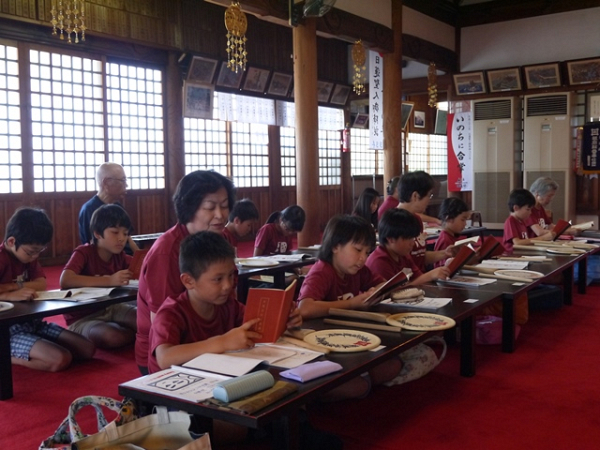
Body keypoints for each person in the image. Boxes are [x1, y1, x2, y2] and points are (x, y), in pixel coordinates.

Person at [136, 169, 236, 375]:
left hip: (213, 343)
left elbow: (231, 303)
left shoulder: (220, 237)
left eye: (225, 206)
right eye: (210, 207)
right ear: (189, 209)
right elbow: (161, 329)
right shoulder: (166, 253)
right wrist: (221, 343)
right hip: (170, 357)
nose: (221, 215)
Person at [297, 215, 402, 401]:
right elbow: (305, 308)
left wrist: (377, 290)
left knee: (391, 366)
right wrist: (352, 304)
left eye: (368, 252)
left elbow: (384, 284)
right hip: (322, 346)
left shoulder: (357, 270)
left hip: (350, 340)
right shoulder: (322, 271)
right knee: (360, 386)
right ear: (335, 246)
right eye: (358, 250)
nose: (363, 258)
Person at [0, 207, 95, 371]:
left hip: (31, 322)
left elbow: (41, 284)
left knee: (87, 349)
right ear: (11, 242)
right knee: (60, 359)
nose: (35, 257)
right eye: (31, 252)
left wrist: (10, 287)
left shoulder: (27, 256)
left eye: (39, 251)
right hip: (7, 330)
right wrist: (8, 295)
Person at [60, 204, 137, 349]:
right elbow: (66, 279)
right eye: (115, 232)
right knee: (114, 337)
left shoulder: (119, 256)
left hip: (111, 308)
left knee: (150, 323)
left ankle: (128, 330)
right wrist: (109, 280)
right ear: (97, 234)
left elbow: (143, 267)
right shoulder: (84, 252)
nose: (121, 238)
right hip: (82, 317)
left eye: (125, 234)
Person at [366, 208, 450, 284]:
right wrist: (430, 275)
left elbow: (418, 278)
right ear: (391, 239)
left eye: (413, 238)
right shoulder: (379, 262)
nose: (412, 243)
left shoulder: (403, 255)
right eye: (408, 238)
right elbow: (396, 293)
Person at [396, 171, 453, 272]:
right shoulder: (394, 222)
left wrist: (444, 253)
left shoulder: (417, 219)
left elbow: (420, 255)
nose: (429, 200)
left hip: (420, 278)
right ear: (415, 196)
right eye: (429, 195)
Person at [78, 162, 140, 254]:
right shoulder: (89, 209)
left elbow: (129, 238)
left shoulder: (118, 207)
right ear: (106, 182)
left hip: (124, 258)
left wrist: (141, 259)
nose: (126, 185)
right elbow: (91, 245)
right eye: (122, 180)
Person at [503, 188, 554, 253]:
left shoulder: (523, 221)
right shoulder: (510, 221)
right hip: (513, 256)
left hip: (523, 254)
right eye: (528, 209)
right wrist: (543, 238)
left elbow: (527, 240)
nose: (530, 212)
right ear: (516, 208)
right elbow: (517, 243)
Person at [433, 197, 471, 267]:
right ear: (449, 219)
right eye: (463, 220)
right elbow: (445, 266)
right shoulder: (445, 239)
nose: (465, 224)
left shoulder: (452, 236)